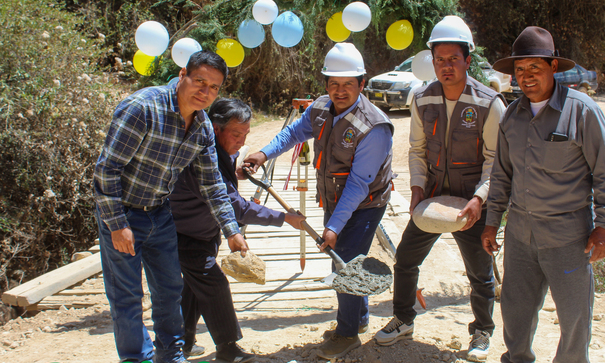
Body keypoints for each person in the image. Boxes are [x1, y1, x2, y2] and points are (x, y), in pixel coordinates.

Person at [94, 51, 248, 363]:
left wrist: (231, 230)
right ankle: (136, 358)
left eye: (214, 87)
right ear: (182, 75)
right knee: (127, 298)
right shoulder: (143, 108)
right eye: (200, 81)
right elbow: (106, 171)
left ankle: (171, 356)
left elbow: (212, 184)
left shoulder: (203, 127)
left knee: (169, 292)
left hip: (161, 215)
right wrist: (117, 224)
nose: (205, 92)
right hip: (123, 214)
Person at [244, 42, 394, 360]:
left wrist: (334, 226)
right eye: (334, 84)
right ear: (326, 83)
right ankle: (359, 318)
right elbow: (293, 134)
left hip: (366, 203)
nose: (340, 91)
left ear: (362, 84)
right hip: (333, 196)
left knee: (346, 261)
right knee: (345, 257)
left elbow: (358, 183)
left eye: (348, 85)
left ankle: (347, 333)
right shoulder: (321, 108)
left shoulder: (374, 126)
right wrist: (263, 152)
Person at [481, 26, 605, 363]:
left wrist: (604, 226)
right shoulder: (512, 116)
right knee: (515, 310)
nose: (526, 77)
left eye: (535, 68)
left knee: (574, 316)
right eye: (520, 70)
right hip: (520, 235)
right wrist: (491, 222)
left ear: (553, 67)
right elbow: (501, 175)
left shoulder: (582, 111)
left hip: (568, 237)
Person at [374, 16, 507, 362]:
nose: (446, 66)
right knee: (405, 260)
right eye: (439, 59)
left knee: (479, 271)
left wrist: (480, 199)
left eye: (453, 59)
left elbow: (497, 162)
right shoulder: (421, 98)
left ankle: (481, 331)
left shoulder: (489, 104)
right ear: (431, 61)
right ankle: (403, 318)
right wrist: (418, 190)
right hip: (432, 196)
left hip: (472, 201)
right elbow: (416, 150)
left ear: (467, 59)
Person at [168, 98, 306, 363]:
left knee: (196, 287)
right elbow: (237, 208)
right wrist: (284, 218)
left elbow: (228, 169)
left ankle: (182, 342)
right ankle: (228, 349)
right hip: (184, 234)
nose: (242, 142)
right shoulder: (200, 155)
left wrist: (239, 171)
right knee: (213, 283)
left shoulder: (220, 148)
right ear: (215, 129)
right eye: (236, 134)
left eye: (246, 135)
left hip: (204, 232)